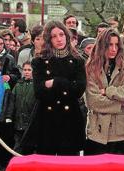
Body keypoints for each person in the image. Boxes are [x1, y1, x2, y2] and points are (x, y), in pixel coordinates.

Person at [25, 20, 87, 155]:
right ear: (48, 39)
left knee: (69, 167)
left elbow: (79, 90)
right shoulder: (39, 61)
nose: (59, 39)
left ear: (67, 36)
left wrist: (55, 82)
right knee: (46, 165)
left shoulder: (77, 60)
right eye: (54, 36)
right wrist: (68, 85)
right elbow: (39, 92)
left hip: (70, 118)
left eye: (61, 34)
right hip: (47, 119)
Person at [84, 29, 124, 155]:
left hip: (122, 132)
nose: (113, 49)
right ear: (102, 46)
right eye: (109, 45)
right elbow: (93, 101)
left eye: (116, 45)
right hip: (97, 132)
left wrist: (107, 91)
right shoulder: (91, 68)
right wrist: (119, 104)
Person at [12, 61, 36, 154]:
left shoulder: (36, 85)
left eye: (29, 70)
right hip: (19, 121)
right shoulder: (18, 85)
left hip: (32, 122)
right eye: (25, 70)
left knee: (32, 147)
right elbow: (12, 101)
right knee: (18, 147)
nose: (26, 72)